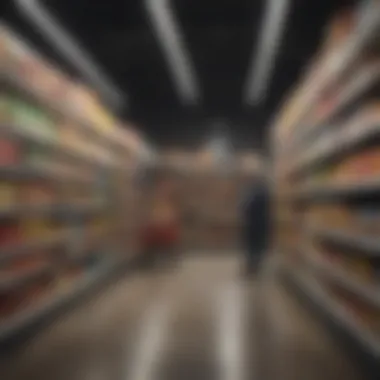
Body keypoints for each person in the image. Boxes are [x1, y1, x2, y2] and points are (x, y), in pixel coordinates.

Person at [241, 174, 271, 275]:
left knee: (252, 248)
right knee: (257, 247)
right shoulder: (264, 196)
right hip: (259, 227)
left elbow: (245, 210)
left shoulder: (251, 197)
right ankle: (255, 266)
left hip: (252, 227)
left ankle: (252, 267)